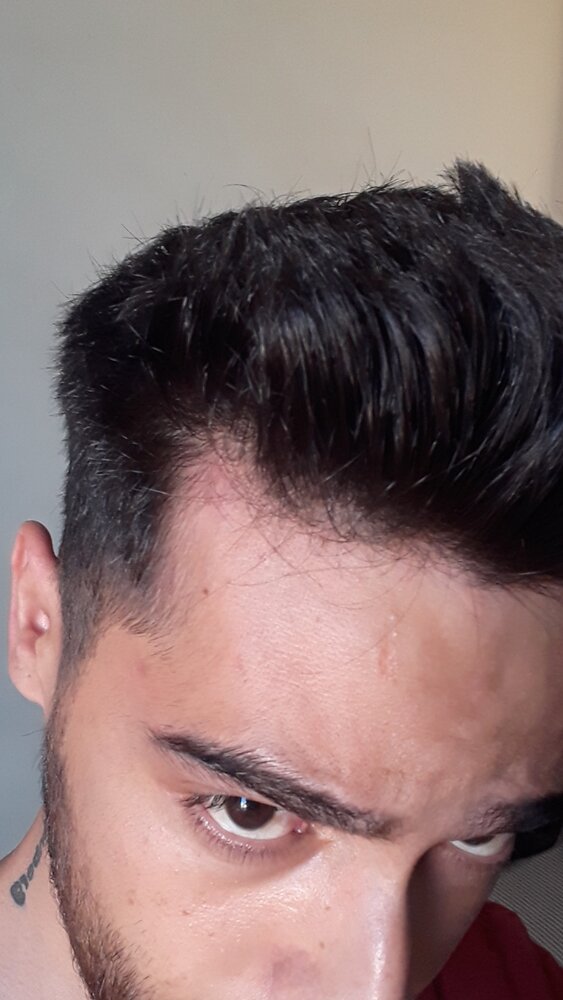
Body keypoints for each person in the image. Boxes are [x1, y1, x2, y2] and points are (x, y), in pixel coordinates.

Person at [0, 162, 562, 1000]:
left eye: (477, 840)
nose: (374, 985)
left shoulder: (511, 980)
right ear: (39, 628)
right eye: (250, 811)